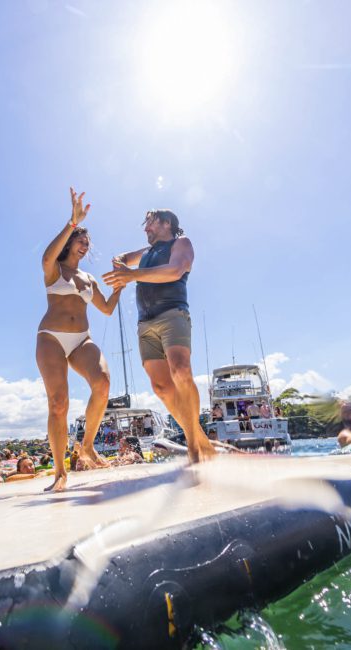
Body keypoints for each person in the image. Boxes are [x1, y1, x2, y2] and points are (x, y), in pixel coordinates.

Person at [103, 209, 215, 463]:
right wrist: (120, 263)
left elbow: (176, 270)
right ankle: (198, 438)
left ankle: (194, 447)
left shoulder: (180, 243)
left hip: (172, 314)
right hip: (145, 323)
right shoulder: (145, 254)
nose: (146, 229)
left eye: (150, 223)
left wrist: (131, 275)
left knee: (180, 372)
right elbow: (120, 258)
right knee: (161, 386)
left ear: (167, 223)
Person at [36, 187, 123, 491]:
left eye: (88, 241)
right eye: (81, 240)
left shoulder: (88, 279)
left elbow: (108, 310)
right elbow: (46, 254)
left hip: (81, 340)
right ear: (70, 241)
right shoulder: (53, 269)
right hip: (52, 339)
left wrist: (122, 284)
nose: (85, 245)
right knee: (59, 403)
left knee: (103, 383)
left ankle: (86, 446)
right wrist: (72, 222)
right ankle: (60, 472)